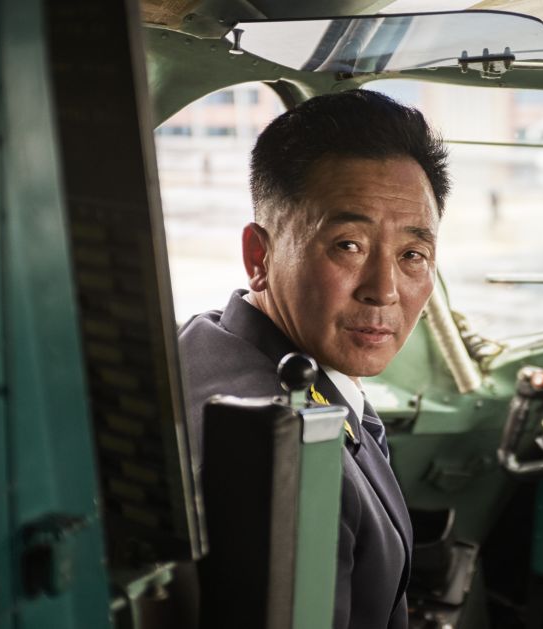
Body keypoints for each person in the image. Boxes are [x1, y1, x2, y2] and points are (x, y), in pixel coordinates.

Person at [177, 89, 450, 629]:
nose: (384, 290)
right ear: (260, 256)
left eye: (412, 255)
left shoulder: (200, 341)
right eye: (348, 244)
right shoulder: (287, 457)